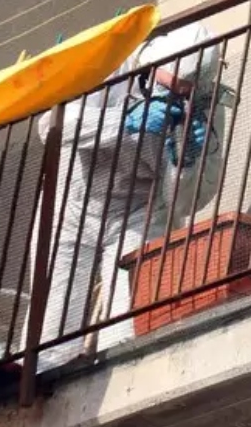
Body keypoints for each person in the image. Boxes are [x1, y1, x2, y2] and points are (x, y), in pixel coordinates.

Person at [27, 21, 223, 372]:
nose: (174, 98)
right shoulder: (112, 63)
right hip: (74, 203)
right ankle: (40, 383)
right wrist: (125, 121)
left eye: (183, 93)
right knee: (54, 320)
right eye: (168, 87)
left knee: (129, 321)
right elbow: (53, 126)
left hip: (139, 212)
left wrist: (186, 162)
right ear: (151, 66)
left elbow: (188, 201)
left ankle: (121, 379)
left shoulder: (207, 106)